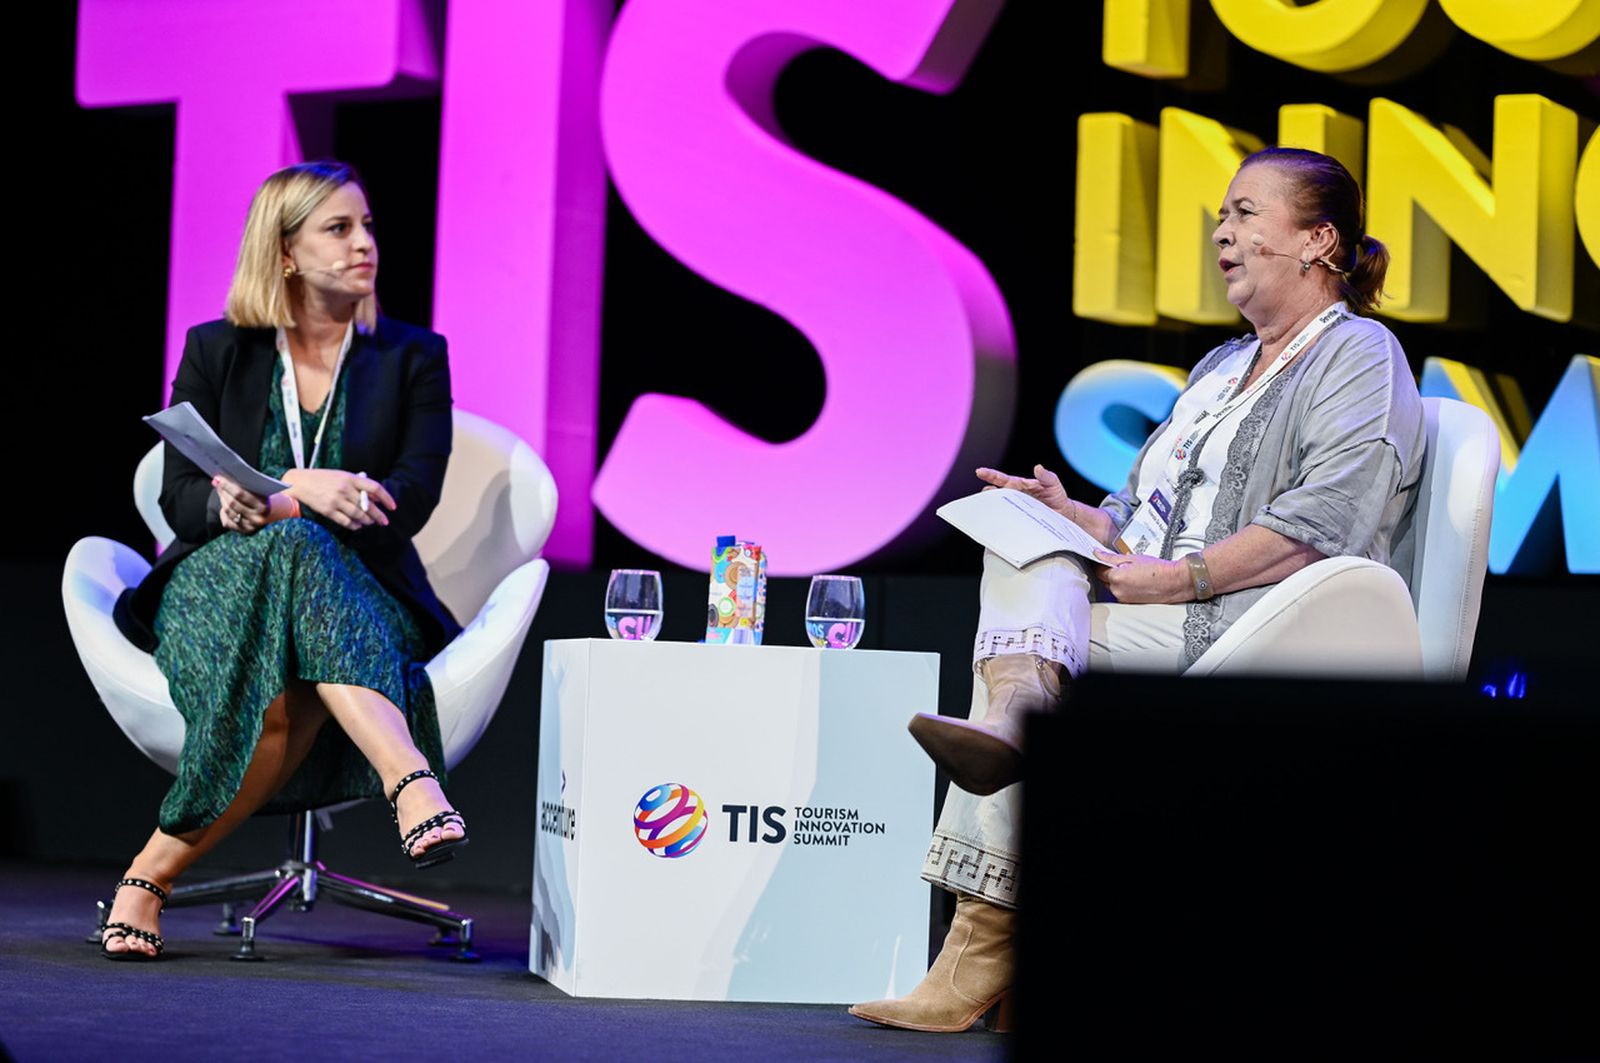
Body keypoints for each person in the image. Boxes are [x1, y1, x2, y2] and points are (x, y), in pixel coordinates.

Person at [850, 147, 1425, 1030]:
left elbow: (1332, 513)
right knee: (1017, 549)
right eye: (1220, 217)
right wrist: (1073, 518)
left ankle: (983, 940)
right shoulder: (1220, 370)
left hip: (1257, 621)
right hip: (1154, 598)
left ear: (1318, 240)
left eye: (1243, 213)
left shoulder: (1360, 354)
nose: (1221, 233)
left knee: (1028, 657)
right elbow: (1140, 513)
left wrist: (1181, 578)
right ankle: (1017, 717)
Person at [102, 161, 466, 960]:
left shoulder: (413, 356)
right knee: (292, 543)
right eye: (339, 228)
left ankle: (147, 878)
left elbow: (416, 492)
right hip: (218, 581)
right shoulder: (217, 349)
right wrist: (262, 497)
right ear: (287, 252)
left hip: (361, 587)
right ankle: (408, 775)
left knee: (293, 628)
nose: (364, 242)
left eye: (368, 225)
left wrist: (286, 506)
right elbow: (179, 498)